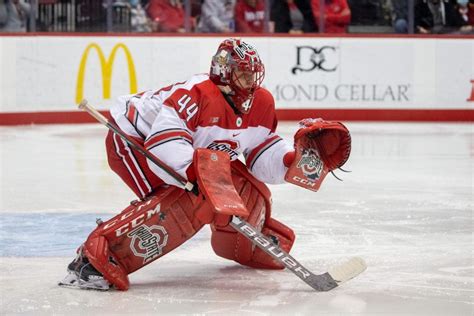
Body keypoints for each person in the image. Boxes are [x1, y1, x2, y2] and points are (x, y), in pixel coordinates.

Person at [58, 38, 351, 291]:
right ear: (224, 73)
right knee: (184, 201)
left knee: (239, 186)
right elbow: (165, 143)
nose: (251, 83)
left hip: (189, 151)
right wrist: (198, 179)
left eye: (253, 75)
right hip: (135, 140)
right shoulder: (196, 94)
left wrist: (291, 160)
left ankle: (244, 243)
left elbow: (261, 150)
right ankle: (94, 260)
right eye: (243, 75)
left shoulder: (260, 102)